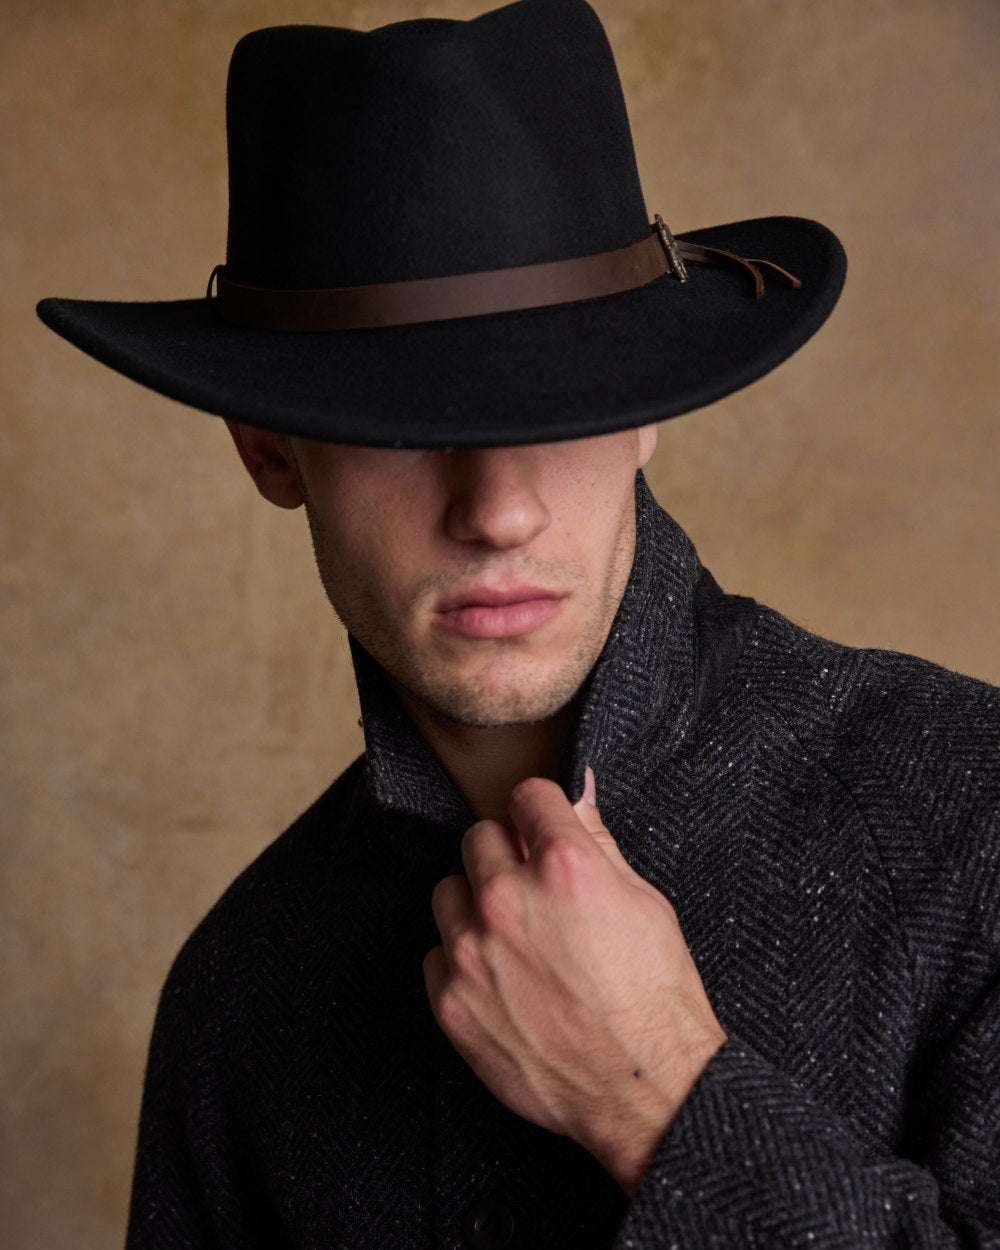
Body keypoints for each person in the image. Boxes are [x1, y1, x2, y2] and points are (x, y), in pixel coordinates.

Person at [37, 0, 999, 1246]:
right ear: (271, 448)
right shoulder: (243, 993)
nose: (496, 510)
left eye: (565, 404)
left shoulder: (967, 813)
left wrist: (656, 1093)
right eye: (405, 419)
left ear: (654, 407)